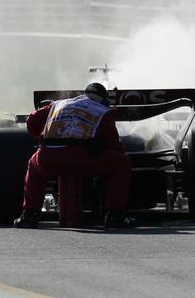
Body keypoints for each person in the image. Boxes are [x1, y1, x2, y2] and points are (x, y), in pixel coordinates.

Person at [13, 82, 136, 229]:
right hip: (82, 157)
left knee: (34, 165)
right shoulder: (103, 111)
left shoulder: (58, 104)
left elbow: (31, 124)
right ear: (103, 99)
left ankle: (29, 215)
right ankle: (115, 215)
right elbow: (114, 145)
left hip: (49, 156)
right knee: (122, 163)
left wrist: (45, 135)